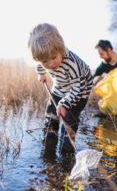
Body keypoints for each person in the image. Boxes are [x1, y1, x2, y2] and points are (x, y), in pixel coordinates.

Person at [28, 23, 93, 151]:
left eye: (53, 58)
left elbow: (77, 89)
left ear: (61, 49)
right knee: (51, 116)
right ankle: (49, 144)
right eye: (46, 61)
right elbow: (40, 66)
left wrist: (64, 104)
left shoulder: (73, 63)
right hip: (60, 88)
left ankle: (67, 150)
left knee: (69, 120)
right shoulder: (43, 61)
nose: (51, 64)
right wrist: (42, 74)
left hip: (78, 92)